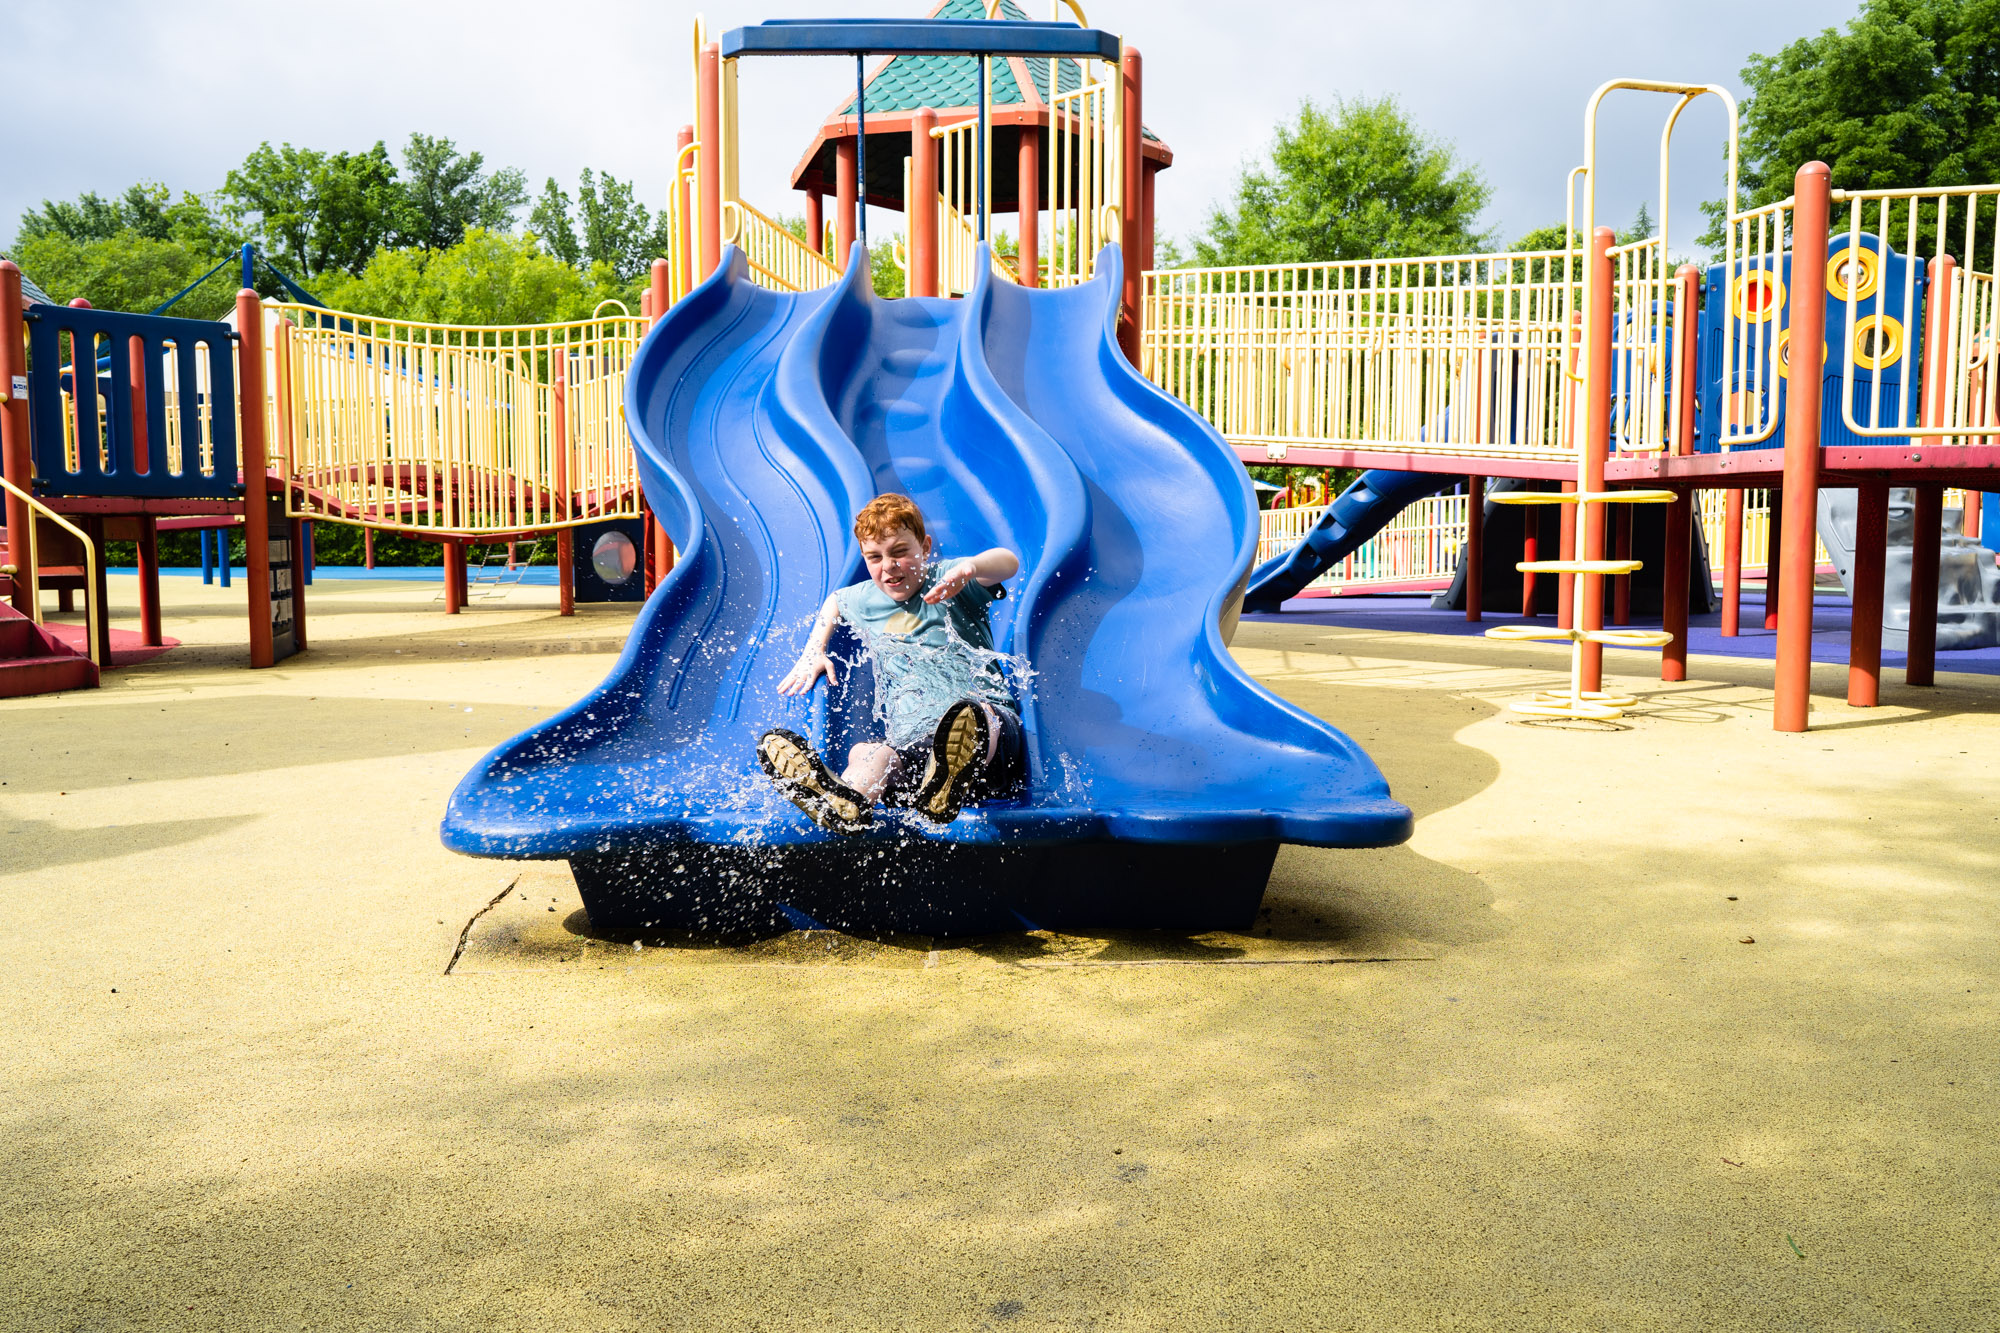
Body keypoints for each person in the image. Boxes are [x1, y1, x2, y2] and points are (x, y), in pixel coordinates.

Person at [757, 493, 1024, 834]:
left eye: (900, 552)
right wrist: (814, 651)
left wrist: (971, 569)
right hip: (916, 750)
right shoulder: (866, 598)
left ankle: (952, 775)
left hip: (993, 744)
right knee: (872, 754)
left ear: (925, 548)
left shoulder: (950, 580)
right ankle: (845, 801)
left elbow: (1008, 562)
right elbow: (833, 603)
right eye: (875, 557)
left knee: (975, 715)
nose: (888, 567)